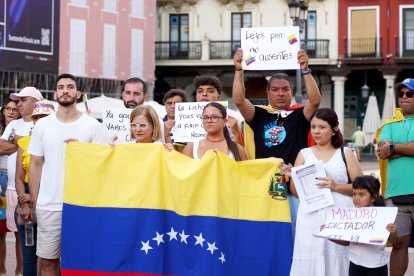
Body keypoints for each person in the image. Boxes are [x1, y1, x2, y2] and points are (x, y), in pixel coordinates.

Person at [232, 48, 321, 237]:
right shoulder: (258, 115)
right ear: (268, 93)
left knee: (296, 236)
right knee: (268, 237)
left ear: (292, 92)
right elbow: (239, 100)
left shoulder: (299, 115)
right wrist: (239, 71)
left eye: (285, 89)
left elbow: (315, 101)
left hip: (294, 188)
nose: (280, 94)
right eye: (275, 90)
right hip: (265, 188)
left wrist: (305, 70)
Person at [28, 73, 106, 276]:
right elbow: (35, 164)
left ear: (78, 93)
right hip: (49, 205)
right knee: (47, 261)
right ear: (55, 93)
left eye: (70, 87)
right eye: (61, 87)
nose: (65, 91)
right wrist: (34, 200)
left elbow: (103, 163)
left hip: (82, 205)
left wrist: (82, 151)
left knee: (81, 263)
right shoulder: (42, 126)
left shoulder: (93, 126)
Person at [280, 108, 363, 276]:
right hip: (311, 215)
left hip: (339, 214)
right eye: (313, 127)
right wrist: (294, 176)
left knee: (339, 257)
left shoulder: (345, 153)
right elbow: (296, 192)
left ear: (334, 129)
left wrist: (336, 186)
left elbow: (362, 188)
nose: (316, 131)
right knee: (311, 258)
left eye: (322, 127)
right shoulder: (304, 153)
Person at [0, 87, 44, 276]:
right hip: (13, 188)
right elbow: (1, 147)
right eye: (17, 100)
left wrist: (18, 140)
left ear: (36, 102)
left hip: (37, 189)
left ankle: (21, 272)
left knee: (35, 242)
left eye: (22, 100)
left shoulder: (44, 124)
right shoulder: (14, 124)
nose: (18, 104)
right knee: (17, 232)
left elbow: (40, 147)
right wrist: (25, 141)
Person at [376, 78, 414, 276]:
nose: (404, 97)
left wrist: (395, 148)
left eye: (410, 93)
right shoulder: (389, 124)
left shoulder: (390, 129)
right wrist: (402, 149)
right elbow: (382, 151)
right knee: (399, 244)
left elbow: (389, 148)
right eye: (401, 94)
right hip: (395, 194)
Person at [324, 175, 398, 276]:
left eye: (361, 195)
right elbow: (346, 242)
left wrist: (393, 232)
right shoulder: (351, 216)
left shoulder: (383, 216)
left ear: (373, 197)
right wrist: (329, 234)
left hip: (376, 266)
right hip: (355, 264)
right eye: (354, 194)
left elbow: (394, 242)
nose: (356, 198)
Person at [15, 100, 55, 276]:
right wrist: (25, 204)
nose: (40, 120)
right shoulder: (24, 143)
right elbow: (17, 178)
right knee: (29, 255)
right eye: (37, 117)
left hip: (52, 201)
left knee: (53, 256)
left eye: (44, 117)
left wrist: (33, 196)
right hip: (27, 205)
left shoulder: (62, 143)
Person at [182, 102, 247, 161]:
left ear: (225, 121)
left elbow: (245, 172)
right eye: (205, 117)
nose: (209, 120)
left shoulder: (237, 149)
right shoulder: (191, 148)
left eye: (215, 117)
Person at [0, 100, 20, 275]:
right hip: (0, 182)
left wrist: (9, 146)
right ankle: (2, 271)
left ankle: (20, 271)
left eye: (15, 109)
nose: (11, 112)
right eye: (8, 108)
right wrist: (21, 144)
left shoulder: (23, 127)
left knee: (18, 232)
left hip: (15, 183)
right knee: (0, 231)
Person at [194, 75, 244, 145]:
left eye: (210, 91)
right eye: (200, 91)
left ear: (218, 97)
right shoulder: (184, 120)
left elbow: (239, 152)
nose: (204, 94)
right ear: (196, 96)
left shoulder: (232, 120)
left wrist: (236, 133)